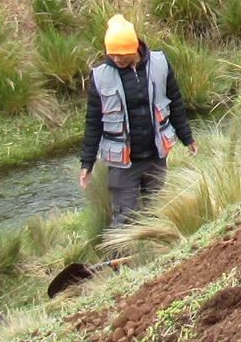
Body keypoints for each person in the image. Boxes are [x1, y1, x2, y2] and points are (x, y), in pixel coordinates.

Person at [78, 14, 198, 227]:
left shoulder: (160, 63)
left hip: (155, 155)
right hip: (123, 163)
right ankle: (120, 259)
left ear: (134, 47)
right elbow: (93, 122)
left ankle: (157, 257)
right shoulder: (100, 76)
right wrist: (87, 163)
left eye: (121, 54)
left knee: (156, 212)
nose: (116, 59)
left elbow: (175, 103)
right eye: (112, 54)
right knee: (124, 220)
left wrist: (187, 138)